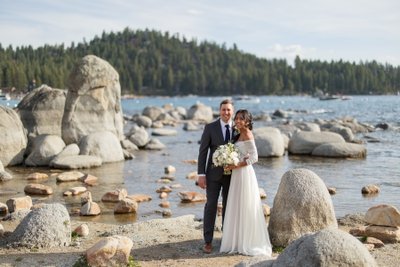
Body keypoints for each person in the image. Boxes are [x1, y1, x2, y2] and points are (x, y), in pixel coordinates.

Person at [219, 109, 272, 256]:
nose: (237, 121)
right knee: (236, 205)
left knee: (246, 205)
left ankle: (247, 242)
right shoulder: (238, 135)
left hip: (244, 174)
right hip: (236, 174)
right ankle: (236, 241)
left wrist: (236, 165)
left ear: (247, 121)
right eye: (236, 119)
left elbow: (254, 157)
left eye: (241, 119)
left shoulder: (248, 133)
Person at [197, 99, 235, 254]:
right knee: (211, 205)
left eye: (228, 110)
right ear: (219, 111)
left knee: (229, 207)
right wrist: (201, 174)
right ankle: (207, 241)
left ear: (233, 111)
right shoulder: (210, 127)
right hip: (213, 175)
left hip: (232, 176)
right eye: (223, 109)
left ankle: (226, 239)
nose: (226, 112)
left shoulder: (238, 129)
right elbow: (203, 152)